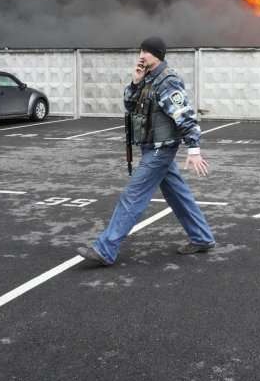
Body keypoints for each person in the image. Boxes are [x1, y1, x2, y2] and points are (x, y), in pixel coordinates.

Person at [77, 36, 215, 266]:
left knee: (132, 196)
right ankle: (202, 238)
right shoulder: (146, 79)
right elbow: (129, 106)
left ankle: (105, 250)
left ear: (157, 55)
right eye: (141, 50)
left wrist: (194, 149)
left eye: (147, 52)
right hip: (151, 147)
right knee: (178, 196)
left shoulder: (167, 81)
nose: (141, 55)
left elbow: (186, 116)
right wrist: (134, 82)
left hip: (161, 150)